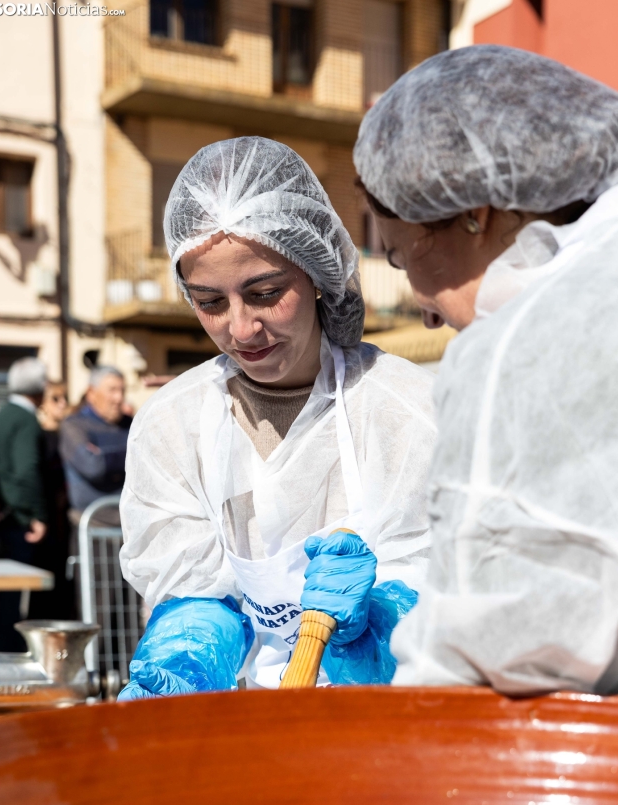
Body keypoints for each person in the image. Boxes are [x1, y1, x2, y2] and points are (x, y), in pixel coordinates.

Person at [353, 44, 618, 703]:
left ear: (473, 213)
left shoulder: (533, 341)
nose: (425, 311)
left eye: (401, 258)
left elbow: (486, 663)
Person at [118, 136, 436, 697]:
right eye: (210, 302)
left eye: (265, 293)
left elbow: (437, 591)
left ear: (317, 273)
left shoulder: (403, 409)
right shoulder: (173, 424)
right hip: (252, 717)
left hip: (387, 715)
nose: (241, 329)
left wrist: (374, 625)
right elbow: (193, 589)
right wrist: (189, 650)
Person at [0, 357, 48, 651]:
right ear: (39, 388)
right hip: (14, 521)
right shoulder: (25, 419)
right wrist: (37, 514)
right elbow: (26, 470)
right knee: (10, 603)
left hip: (2, 519)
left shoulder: (2, 415)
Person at [59, 366, 131, 519]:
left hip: (131, 522)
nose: (119, 398)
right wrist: (132, 455)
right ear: (91, 393)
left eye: (122, 390)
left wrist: (104, 456)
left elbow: (149, 462)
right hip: (93, 523)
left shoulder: (132, 424)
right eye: (112, 390)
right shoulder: (74, 425)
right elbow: (93, 467)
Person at [32, 380, 74, 620]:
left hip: (67, 515)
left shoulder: (70, 432)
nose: (62, 404)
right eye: (55, 398)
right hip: (49, 515)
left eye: (64, 397)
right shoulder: (39, 435)